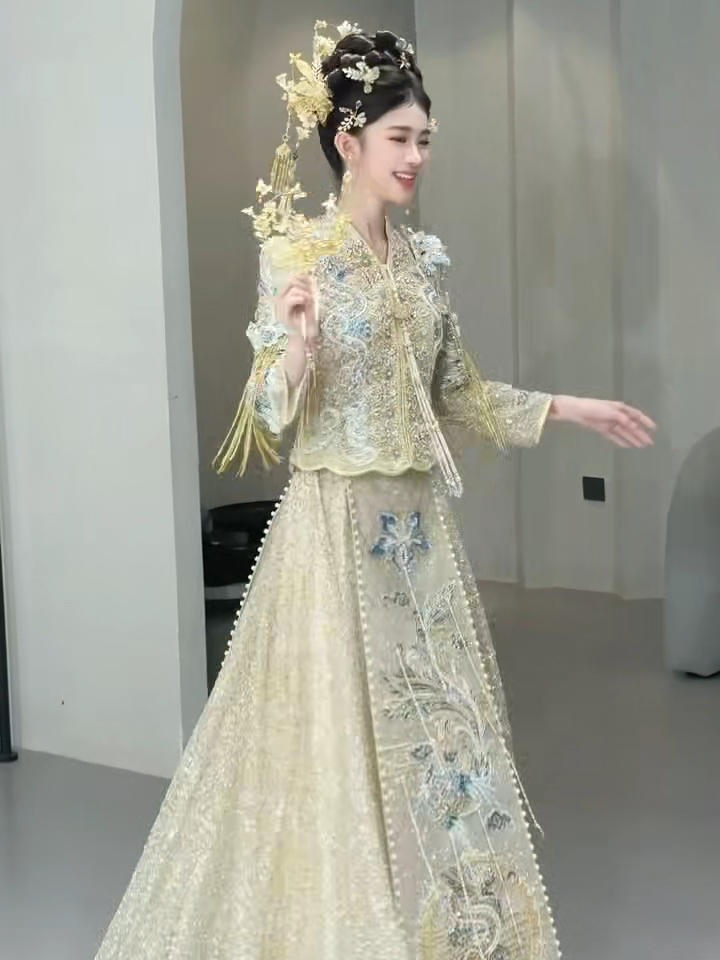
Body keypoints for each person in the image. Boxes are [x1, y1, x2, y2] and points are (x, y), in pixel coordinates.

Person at [94, 25, 655, 960]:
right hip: (331, 538)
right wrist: (299, 342)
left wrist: (569, 407)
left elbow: (459, 394)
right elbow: (268, 412)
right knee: (334, 756)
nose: (416, 156)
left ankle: (442, 930)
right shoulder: (297, 257)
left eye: (425, 139)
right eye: (400, 138)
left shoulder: (424, 262)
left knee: (435, 742)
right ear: (347, 141)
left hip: (418, 542)